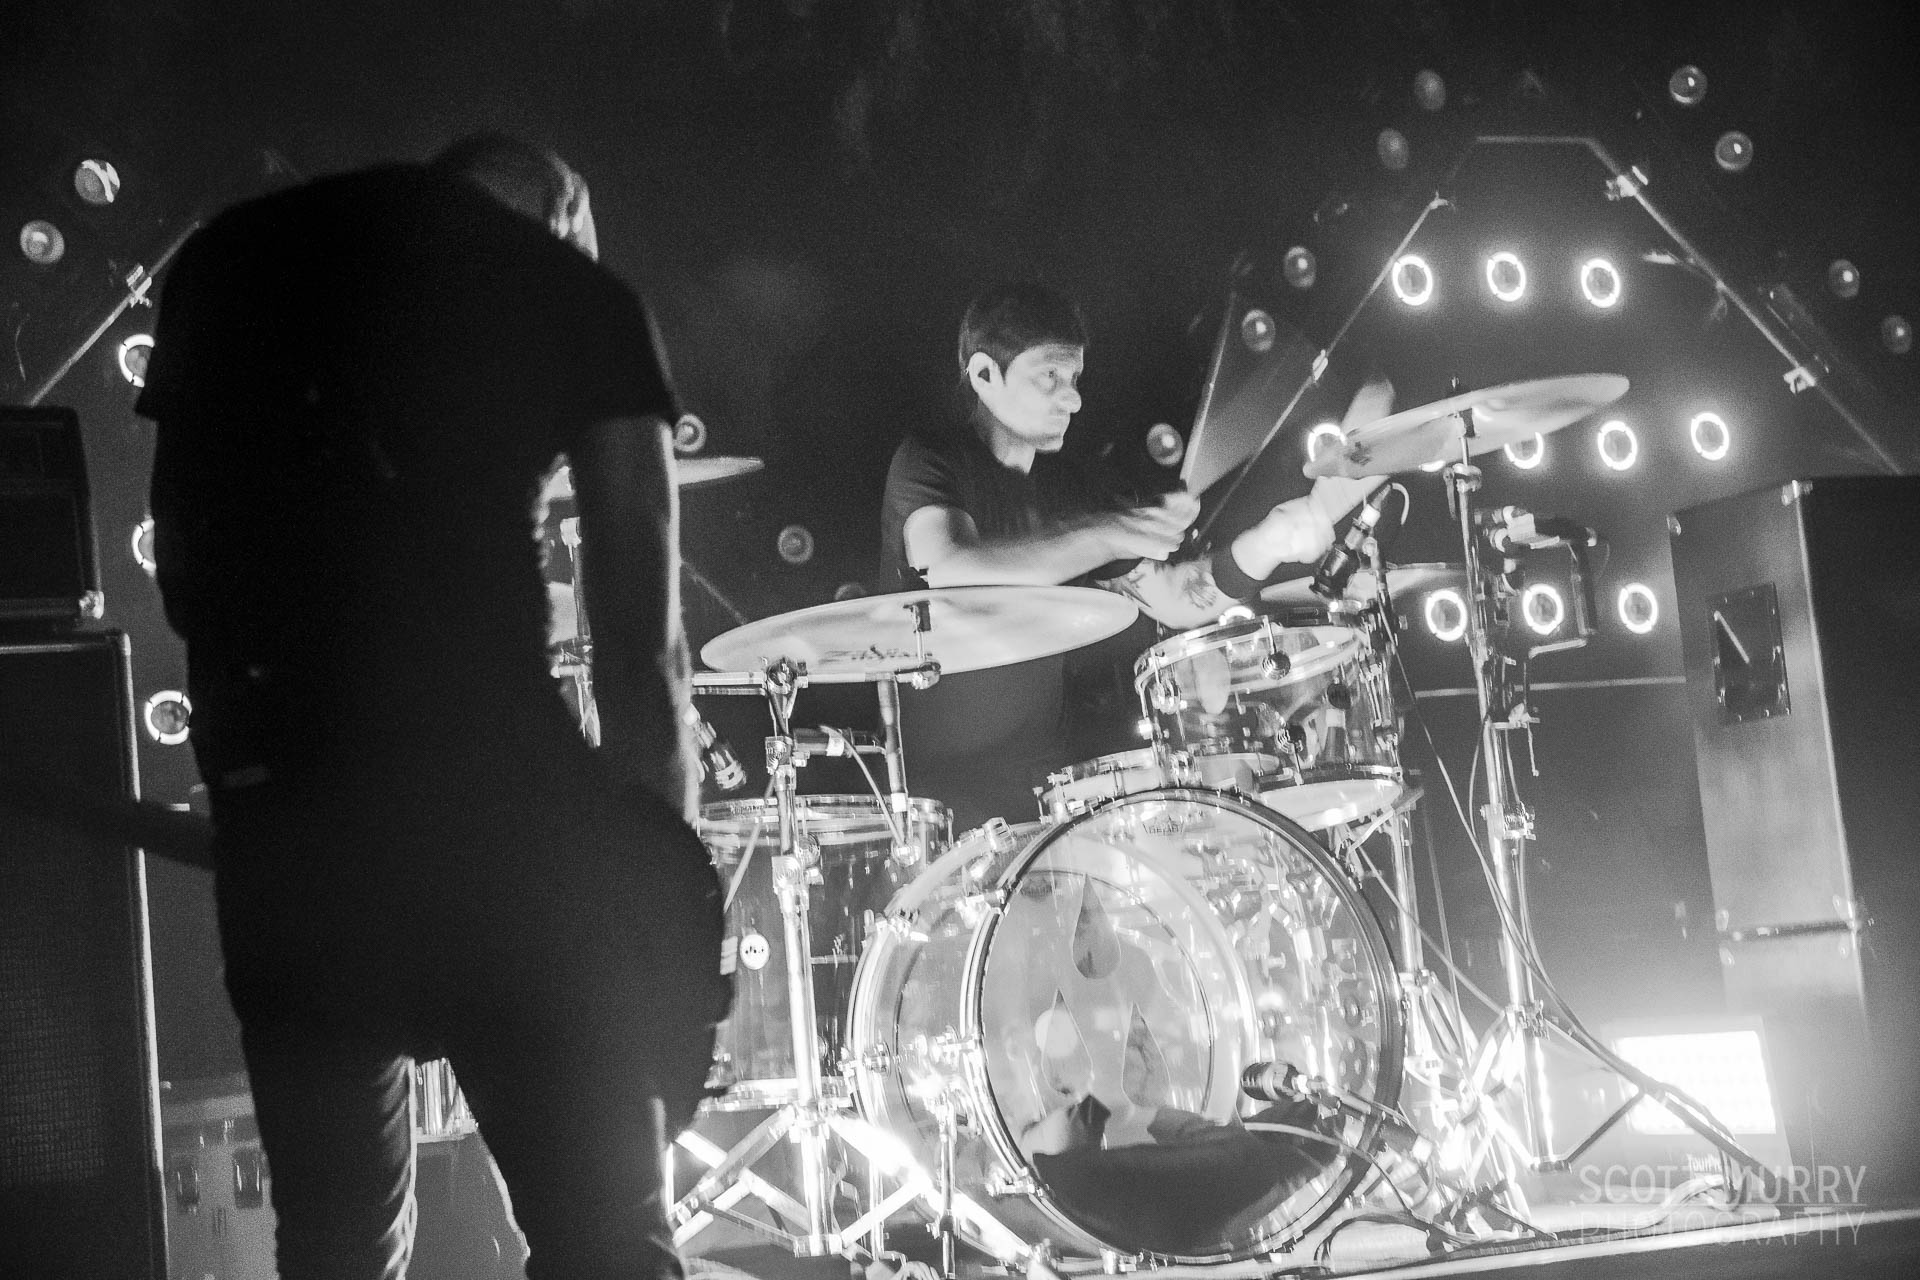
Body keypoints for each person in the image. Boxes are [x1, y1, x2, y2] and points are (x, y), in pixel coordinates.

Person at [138, 134, 731, 1279]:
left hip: (291, 850)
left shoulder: (227, 262)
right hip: (506, 838)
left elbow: (187, 575)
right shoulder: (582, 296)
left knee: (339, 1245)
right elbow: (641, 657)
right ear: (565, 217)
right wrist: (658, 918)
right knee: (609, 1238)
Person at [879, 282, 1387, 829]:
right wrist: (1110, 533)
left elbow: (1174, 599)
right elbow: (951, 567)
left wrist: (1270, 541)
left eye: (1075, 378)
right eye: (1049, 376)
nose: (1072, 398)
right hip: (935, 801)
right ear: (984, 375)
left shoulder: (1068, 490)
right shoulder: (931, 458)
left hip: (1045, 792)